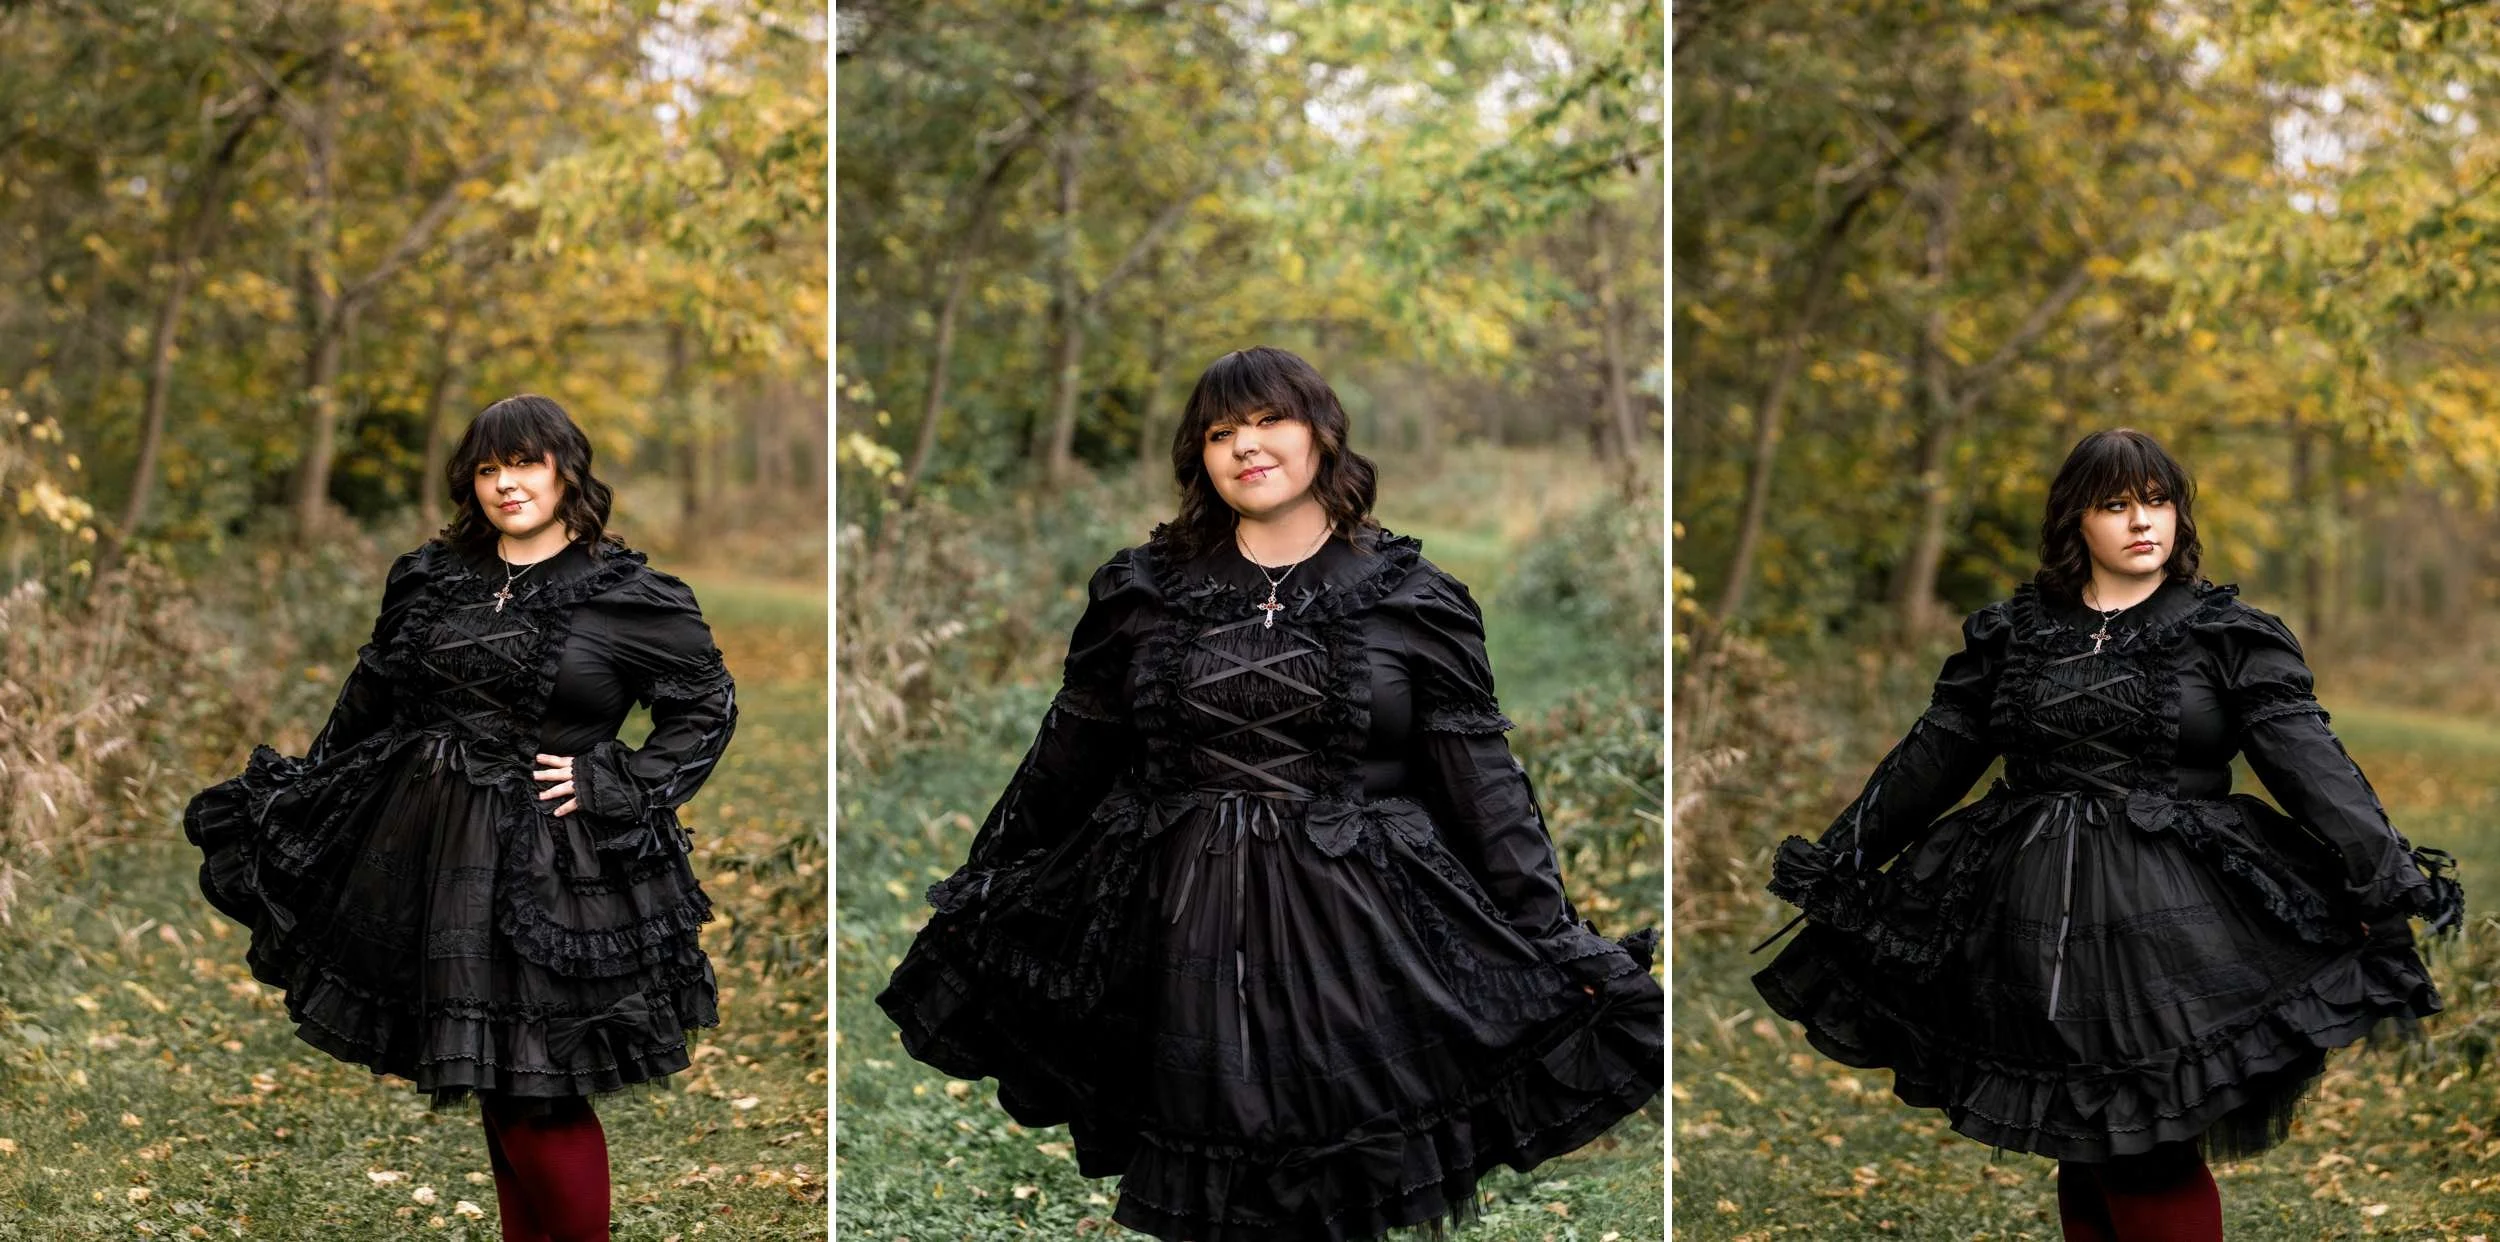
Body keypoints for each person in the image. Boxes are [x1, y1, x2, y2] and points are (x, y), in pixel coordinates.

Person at [875, 345, 1664, 1241]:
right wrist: (988, 883)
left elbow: (1482, 785)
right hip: (1176, 921)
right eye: (1221, 432)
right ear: (1199, 456)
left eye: (1268, 421)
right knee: (1212, 1175)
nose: (1245, 446)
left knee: (1338, 1173)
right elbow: (1068, 755)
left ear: (1322, 435)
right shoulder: (1141, 590)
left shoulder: (1413, 600)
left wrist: (1552, 938)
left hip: (1359, 923)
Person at [1751, 428, 2463, 1242]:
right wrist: (1839, 860)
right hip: (2024, 917)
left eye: (2157, 501)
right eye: (2115, 504)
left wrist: (2386, 874)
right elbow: (1932, 759)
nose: (2142, 521)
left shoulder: (2223, 634)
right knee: (2084, 1137)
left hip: (2172, 917)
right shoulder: (2014, 634)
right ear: (2075, 521)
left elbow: (2309, 764)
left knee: (2145, 1144)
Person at [183, 395, 738, 1242]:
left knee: (540, 1091)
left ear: (567, 471)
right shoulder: (429, 577)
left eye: (524, 464)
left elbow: (705, 706)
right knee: (498, 1079)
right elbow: (372, 695)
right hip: (430, 854)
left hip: (551, 865)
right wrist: (309, 789)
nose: (505, 484)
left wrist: (615, 780)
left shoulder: (629, 596)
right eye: (487, 469)